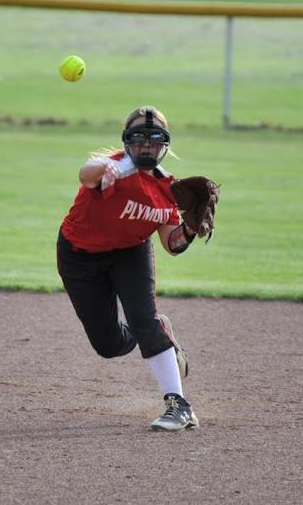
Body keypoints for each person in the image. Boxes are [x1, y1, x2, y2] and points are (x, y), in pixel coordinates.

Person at [56, 105, 202, 431]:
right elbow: (86, 172)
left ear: (166, 145)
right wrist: (106, 168)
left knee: (144, 319)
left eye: (154, 140)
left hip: (130, 253)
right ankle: (156, 332)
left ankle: (179, 406)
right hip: (79, 255)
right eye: (138, 139)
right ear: (126, 142)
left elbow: (172, 244)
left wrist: (191, 229)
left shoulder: (169, 189)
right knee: (107, 345)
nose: (146, 147)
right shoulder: (114, 167)